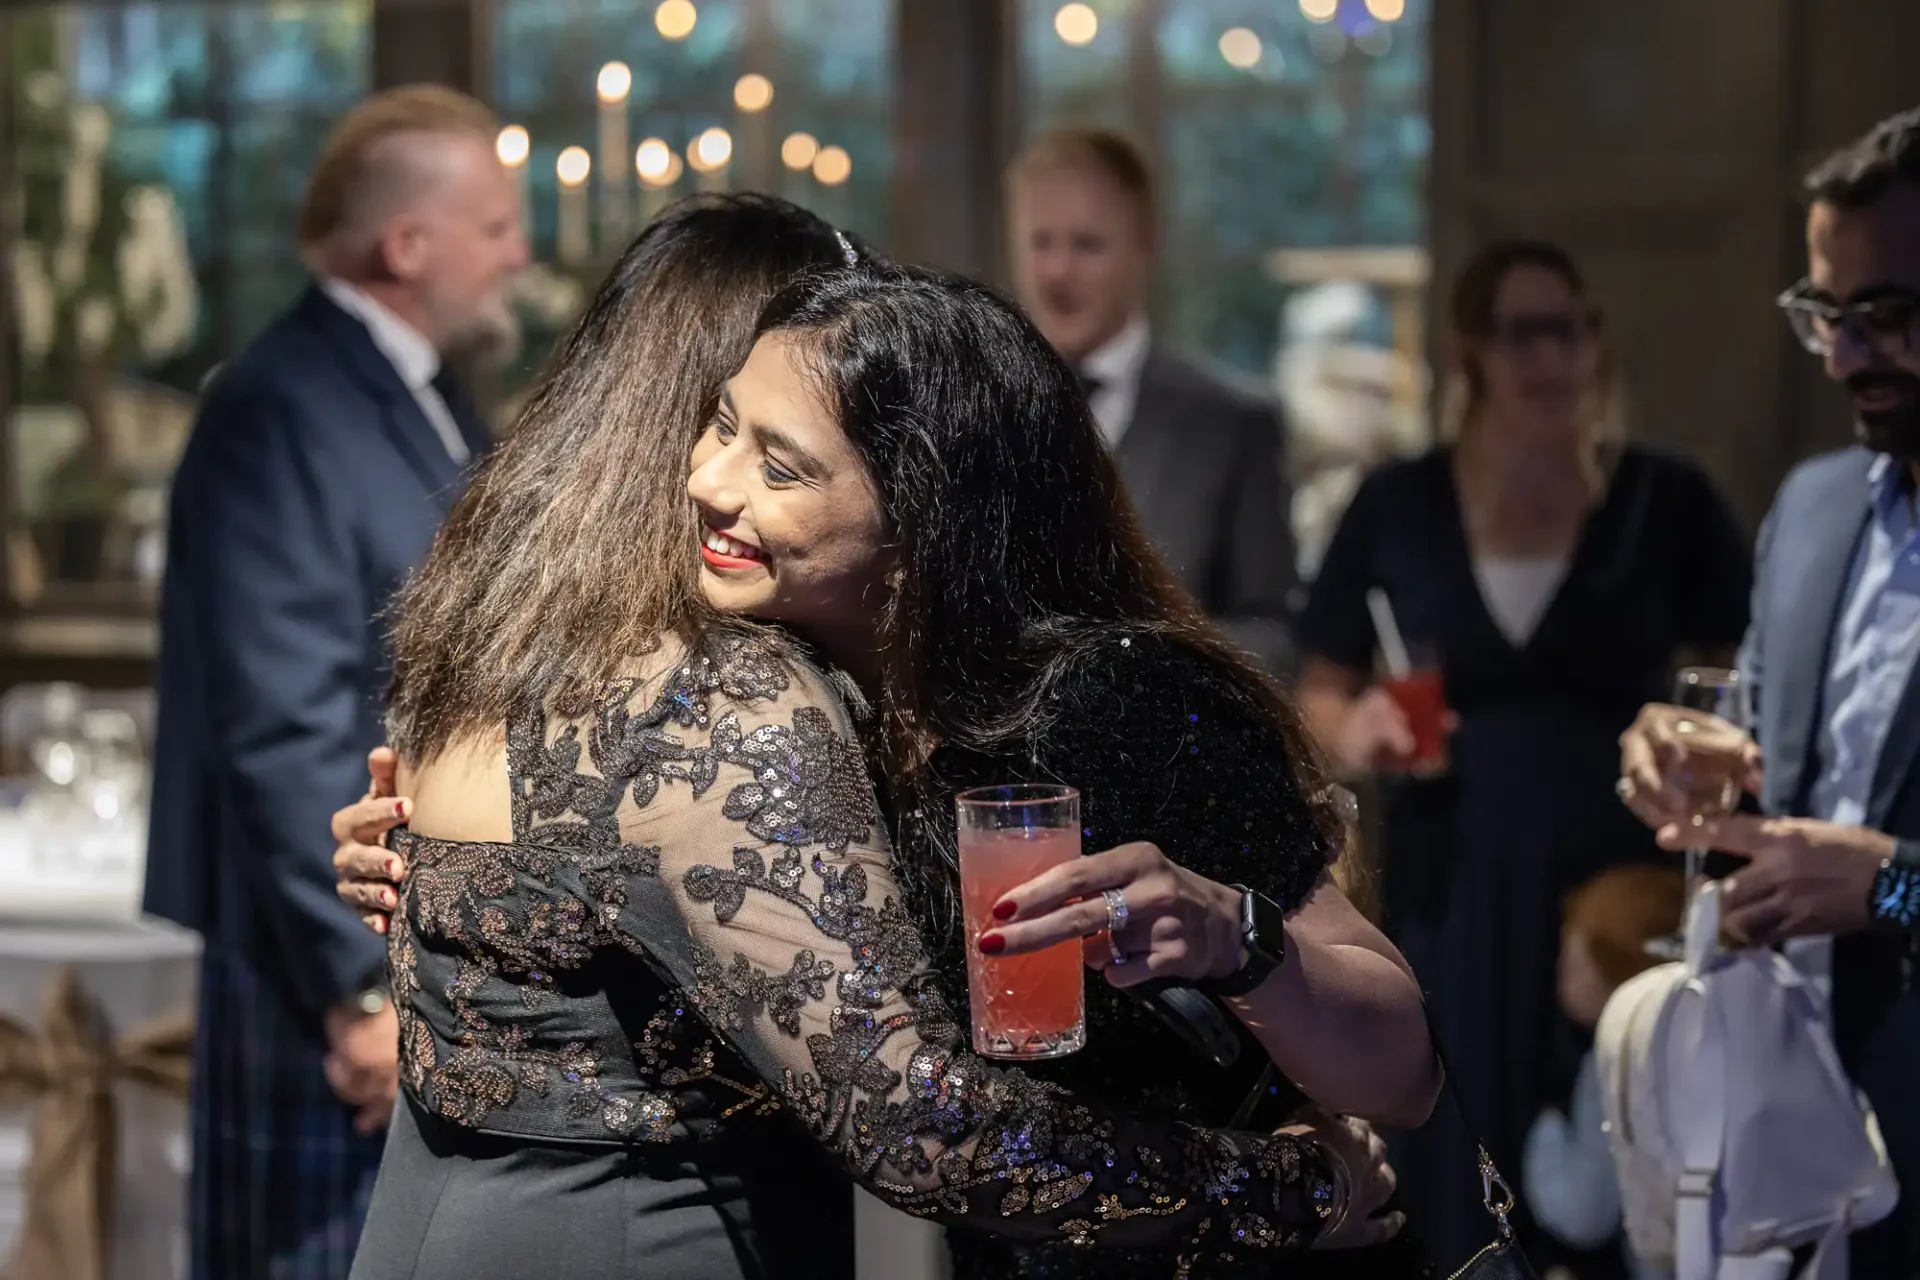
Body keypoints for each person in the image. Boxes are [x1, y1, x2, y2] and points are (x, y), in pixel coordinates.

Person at [327, 197, 1437, 1278]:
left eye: (782, 457)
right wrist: (454, 870)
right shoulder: (772, 700)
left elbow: (1403, 1067)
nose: (707, 479)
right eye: (720, 424)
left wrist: (1236, 941)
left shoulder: (1109, 693)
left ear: (917, 505)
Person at [1295, 237, 1751, 1267]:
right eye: (1523, 333)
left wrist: (1702, 741)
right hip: (1452, 871)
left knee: (1616, 1143)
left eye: (1572, 329)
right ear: (1468, 353)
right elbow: (1324, 684)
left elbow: (1743, 676)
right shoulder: (1398, 502)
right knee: (1453, 1142)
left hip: (1620, 883)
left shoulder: (1661, 498)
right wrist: (1357, 725)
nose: (1553, 357)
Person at [144, 85, 526, 1279]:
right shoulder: (276, 402)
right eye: (498, 225)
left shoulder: (421, 383)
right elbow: (281, 720)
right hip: (312, 954)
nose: (521, 253)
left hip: (391, 936)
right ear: (407, 245)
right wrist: (360, 985)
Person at [1617, 106, 1920, 1278]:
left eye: (1885, 316)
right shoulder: (1816, 504)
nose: (1845, 358)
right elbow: (1775, 740)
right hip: (1787, 1117)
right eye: (1824, 315)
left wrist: (1892, 885)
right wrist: (1692, 744)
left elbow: (1874, 861)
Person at [1006, 127, 1298, 673]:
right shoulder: (978, 413)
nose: (1057, 272)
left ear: (1145, 248)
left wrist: (1148, 663)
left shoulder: (1233, 425)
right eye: (1040, 242)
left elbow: (1275, 638)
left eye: (1087, 245)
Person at [1522, 865, 1682, 1280]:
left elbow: (1582, 1211)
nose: (1558, 971)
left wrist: (1547, 1129)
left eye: (1569, 955)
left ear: (1610, 959)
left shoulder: (1617, 1049)